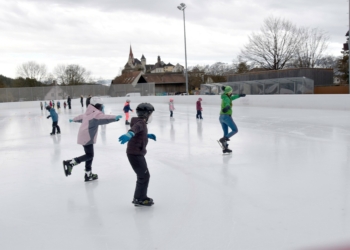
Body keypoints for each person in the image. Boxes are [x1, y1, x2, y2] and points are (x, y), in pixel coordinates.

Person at [63, 97, 122, 182]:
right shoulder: (96, 114)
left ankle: (88, 174)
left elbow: (80, 117)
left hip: (83, 135)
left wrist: (73, 119)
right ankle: (70, 163)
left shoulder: (89, 113)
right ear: (97, 105)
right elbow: (104, 117)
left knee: (89, 155)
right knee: (90, 155)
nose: (102, 107)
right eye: (101, 105)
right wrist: (114, 117)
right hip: (87, 136)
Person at [119, 103, 156, 207]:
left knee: (143, 176)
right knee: (143, 176)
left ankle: (138, 197)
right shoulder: (141, 123)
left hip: (135, 152)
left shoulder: (139, 121)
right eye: (151, 114)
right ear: (146, 114)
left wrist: (147, 135)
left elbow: (138, 131)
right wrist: (130, 133)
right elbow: (136, 128)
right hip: (135, 154)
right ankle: (139, 198)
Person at [218, 86, 246, 154]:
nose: (231, 93)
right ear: (228, 92)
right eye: (231, 91)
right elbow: (227, 102)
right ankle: (224, 139)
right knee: (235, 130)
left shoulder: (225, 96)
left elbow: (232, 98)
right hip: (226, 117)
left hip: (221, 117)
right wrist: (227, 107)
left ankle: (225, 148)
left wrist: (239, 95)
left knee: (226, 133)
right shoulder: (227, 98)